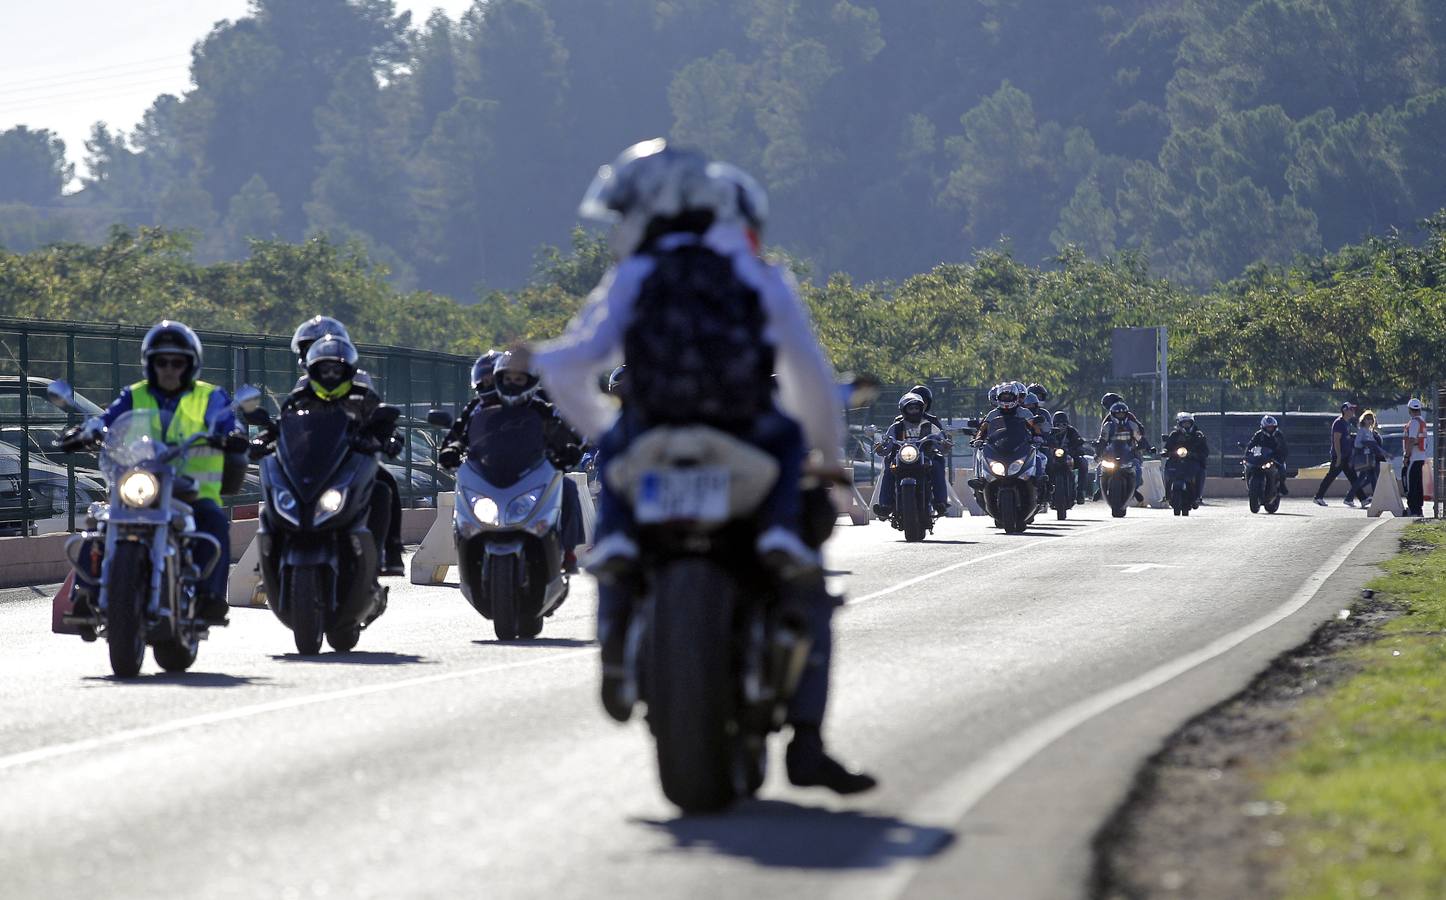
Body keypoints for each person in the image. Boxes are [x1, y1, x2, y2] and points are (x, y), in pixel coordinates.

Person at [524, 141, 873, 794]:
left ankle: (615, 631)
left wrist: (607, 429)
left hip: (651, 438)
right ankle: (807, 737)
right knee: (807, 574)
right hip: (746, 439)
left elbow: (569, 363)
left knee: (618, 529)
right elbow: (810, 379)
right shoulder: (757, 274)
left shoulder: (634, 276)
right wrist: (828, 459)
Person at [77, 321, 241, 623]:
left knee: (215, 523)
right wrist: (89, 430)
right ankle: (84, 592)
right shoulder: (134, 394)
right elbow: (108, 418)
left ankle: (211, 597)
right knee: (100, 523)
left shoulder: (209, 396)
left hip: (190, 491)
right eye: (160, 361)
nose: (168, 369)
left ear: (190, 365)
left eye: (176, 362)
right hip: (141, 483)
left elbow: (227, 420)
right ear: (149, 364)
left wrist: (232, 434)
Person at [438, 352, 587, 573]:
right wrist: (452, 449)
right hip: (488, 474)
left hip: (534, 472)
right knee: (464, 494)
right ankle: (467, 549)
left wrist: (570, 448)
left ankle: (568, 551)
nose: (511, 384)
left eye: (518, 379)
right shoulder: (476, 409)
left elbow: (566, 432)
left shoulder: (540, 407)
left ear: (530, 381)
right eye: (507, 379)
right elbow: (458, 435)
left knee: (568, 487)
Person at [269, 334, 400, 567]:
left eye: (336, 371)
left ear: (347, 369)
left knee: (383, 488)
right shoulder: (301, 395)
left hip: (351, 462)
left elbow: (385, 424)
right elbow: (282, 424)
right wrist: (264, 438)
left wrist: (391, 439)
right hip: (308, 463)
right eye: (324, 370)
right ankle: (270, 563)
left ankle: (387, 551)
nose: (330, 376)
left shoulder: (363, 394)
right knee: (274, 494)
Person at [873, 391, 951, 519]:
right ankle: (885, 505)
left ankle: (940, 502)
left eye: (916, 408)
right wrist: (881, 447)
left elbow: (940, 440)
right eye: (910, 408)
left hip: (925, 456)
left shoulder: (929, 425)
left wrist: (944, 444)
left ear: (921, 409)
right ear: (904, 410)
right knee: (889, 466)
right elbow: (887, 444)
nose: (914, 411)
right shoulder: (896, 426)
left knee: (938, 463)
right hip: (901, 457)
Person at [439, 349, 503, 458]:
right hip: (482, 465)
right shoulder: (475, 405)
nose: (490, 385)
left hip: (523, 465)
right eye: (486, 382)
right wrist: (452, 448)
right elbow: (457, 432)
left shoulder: (525, 403)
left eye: (494, 380)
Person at [1314, 402, 1363, 507]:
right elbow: (1336, 440)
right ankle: (1318, 497)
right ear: (1345, 410)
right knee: (1331, 476)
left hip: (1346, 456)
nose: (1353, 411)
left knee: (1353, 477)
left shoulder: (1347, 423)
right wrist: (1339, 456)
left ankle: (1361, 499)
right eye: (1351, 409)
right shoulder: (1339, 423)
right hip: (1339, 456)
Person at [1098, 401, 1148, 490]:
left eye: (1122, 414)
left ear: (1126, 414)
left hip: (1129, 454)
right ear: (1113, 414)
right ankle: (1100, 489)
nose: (1120, 416)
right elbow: (1102, 441)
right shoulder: (1108, 426)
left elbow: (1140, 438)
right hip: (1111, 454)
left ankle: (1134, 488)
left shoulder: (1132, 425)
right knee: (1099, 467)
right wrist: (1098, 451)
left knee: (1137, 467)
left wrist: (1145, 446)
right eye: (1118, 414)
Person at [1164, 412, 1210, 507]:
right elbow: (1167, 447)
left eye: (1188, 423)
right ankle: (1167, 494)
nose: (1186, 425)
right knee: (1167, 467)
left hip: (1193, 461)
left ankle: (1198, 496)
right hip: (1176, 461)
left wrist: (1198, 455)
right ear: (1179, 424)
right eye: (1184, 423)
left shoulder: (1198, 435)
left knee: (1201, 470)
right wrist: (1165, 452)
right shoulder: (1174, 435)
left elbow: (1205, 450)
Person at [1051, 411, 1091, 502]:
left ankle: (1081, 491)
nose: (1061, 426)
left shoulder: (1072, 431)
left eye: (1064, 424)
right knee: (1043, 466)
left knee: (1083, 462)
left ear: (1067, 424)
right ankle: (1044, 493)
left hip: (1069, 457)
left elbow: (1078, 441)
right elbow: (1044, 441)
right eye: (1058, 424)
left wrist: (1078, 447)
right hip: (1054, 459)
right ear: (1054, 424)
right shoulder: (1050, 432)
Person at [1248, 416, 1291, 496]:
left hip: (1274, 457)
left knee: (1281, 468)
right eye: (1268, 427)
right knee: (1249, 465)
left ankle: (1282, 486)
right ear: (1263, 427)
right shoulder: (1259, 434)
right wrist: (1247, 453)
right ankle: (1249, 481)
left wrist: (1281, 454)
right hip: (1261, 457)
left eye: (1271, 427)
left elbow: (1284, 446)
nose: (1270, 429)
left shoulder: (1278, 434)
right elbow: (1251, 444)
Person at [1352, 410, 1388, 504]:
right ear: (1363, 420)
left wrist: (1383, 452)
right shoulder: (1362, 430)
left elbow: (1375, 445)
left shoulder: (1369, 431)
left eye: (1371, 419)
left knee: (1369, 477)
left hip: (1370, 458)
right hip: (1364, 457)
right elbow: (1357, 444)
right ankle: (1376, 497)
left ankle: (1350, 496)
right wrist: (1365, 444)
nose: (1369, 421)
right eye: (1367, 419)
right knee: (1371, 477)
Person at [1403, 398, 1428, 516]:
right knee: (1418, 484)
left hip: (1413, 458)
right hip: (1421, 457)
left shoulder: (1414, 422)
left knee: (1411, 484)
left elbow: (1412, 440)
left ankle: (1413, 509)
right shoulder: (1422, 421)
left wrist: (1406, 456)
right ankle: (1418, 509)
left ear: (1409, 410)